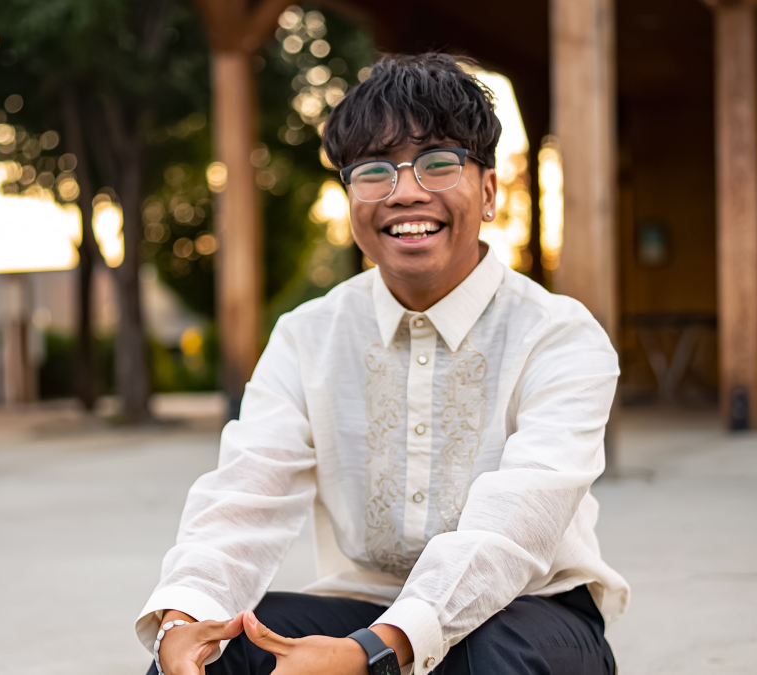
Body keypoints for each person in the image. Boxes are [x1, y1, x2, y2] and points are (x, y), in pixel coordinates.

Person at [137, 52, 628, 675]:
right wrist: (182, 620)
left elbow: (515, 525)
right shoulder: (305, 336)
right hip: (360, 605)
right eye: (373, 172)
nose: (405, 192)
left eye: (438, 164)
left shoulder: (560, 336)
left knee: (499, 653)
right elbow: (246, 493)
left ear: (488, 192)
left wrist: (376, 651)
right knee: (218, 649)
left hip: (530, 612)